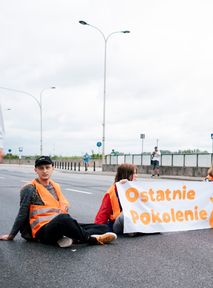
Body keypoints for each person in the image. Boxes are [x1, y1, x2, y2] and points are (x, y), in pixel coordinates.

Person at [0, 156, 117, 248]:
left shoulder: (56, 186)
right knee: (64, 219)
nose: (44, 171)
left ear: (52, 168)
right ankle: (91, 239)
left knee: (103, 227)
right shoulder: (30, 188)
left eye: (47, 167)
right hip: (41, 232)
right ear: (35, 170)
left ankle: (71, 238)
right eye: (41, 168)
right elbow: (22, 213)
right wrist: (11, 235)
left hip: (59, 225)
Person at [94, 163, 137, 234]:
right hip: (118, 223)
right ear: (126, 175)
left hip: (135, 219)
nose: (136, 176)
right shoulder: (113, 191)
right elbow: (103, 212)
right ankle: (134, 230)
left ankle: (138, 229)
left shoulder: (137, 188)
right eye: (134, 173)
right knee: (124, 215)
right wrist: (97, 228)